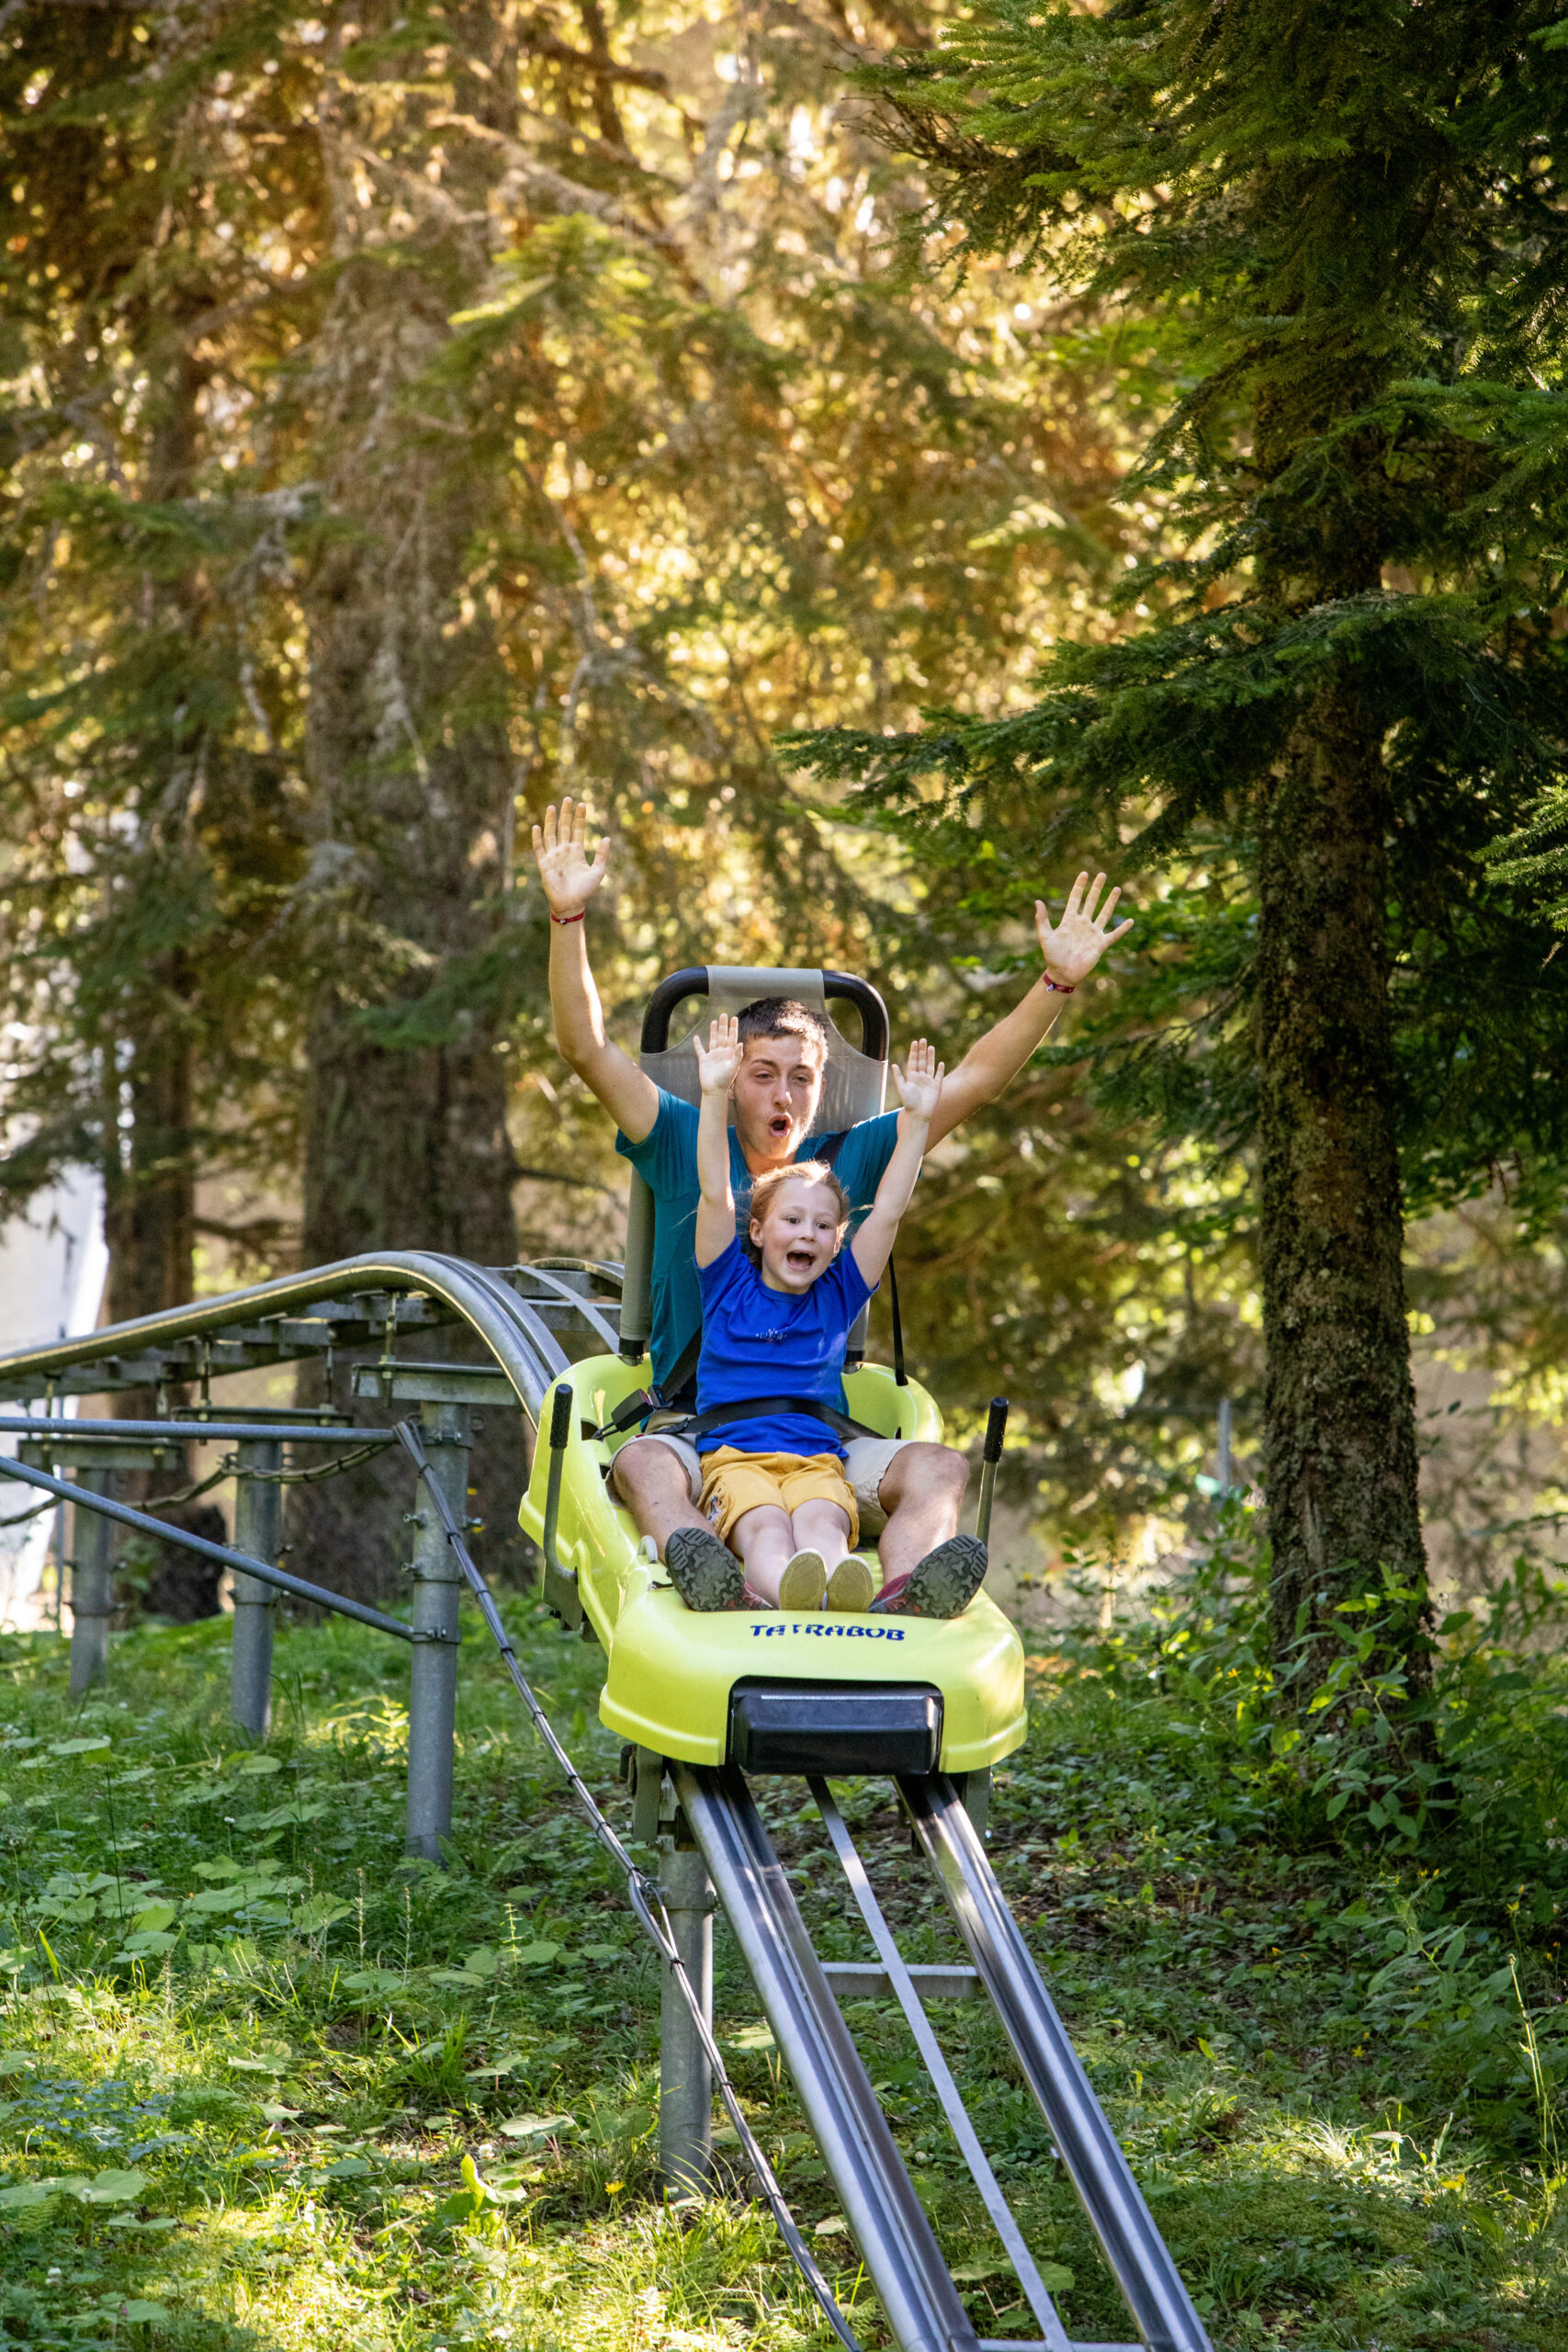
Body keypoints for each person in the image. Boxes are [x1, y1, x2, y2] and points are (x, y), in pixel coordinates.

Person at [530, 794, 1134, 1604]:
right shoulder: (683, 1136)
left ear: (821, 1089)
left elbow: (977, 1082)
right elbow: (584, 1048)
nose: (784, 1093)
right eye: (763, 1074)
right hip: (697, 1425)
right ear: (733, 1081)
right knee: (640, 1462)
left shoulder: (847, 1161)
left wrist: (1056, 981)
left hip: (817, 1441)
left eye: (802, 1077)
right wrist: (567, 919)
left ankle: (908, 1589)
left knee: (939, 1465)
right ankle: (707, 1571)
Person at [682, 1013, 950, 1614]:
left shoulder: (837, 1294)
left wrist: (916, 1125)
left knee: (824, 1524)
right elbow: (713, 1193)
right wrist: (712, 1096)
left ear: (836, 1243)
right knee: (765, 1529)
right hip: (735, 1457)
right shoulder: (726, 1282)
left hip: (817, 1460)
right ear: (758, 1231)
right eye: (793, 1220)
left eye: (824, 1226)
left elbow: (887, 1213)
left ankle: (840, 1588)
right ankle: (784, 1591)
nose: (808, 1233)